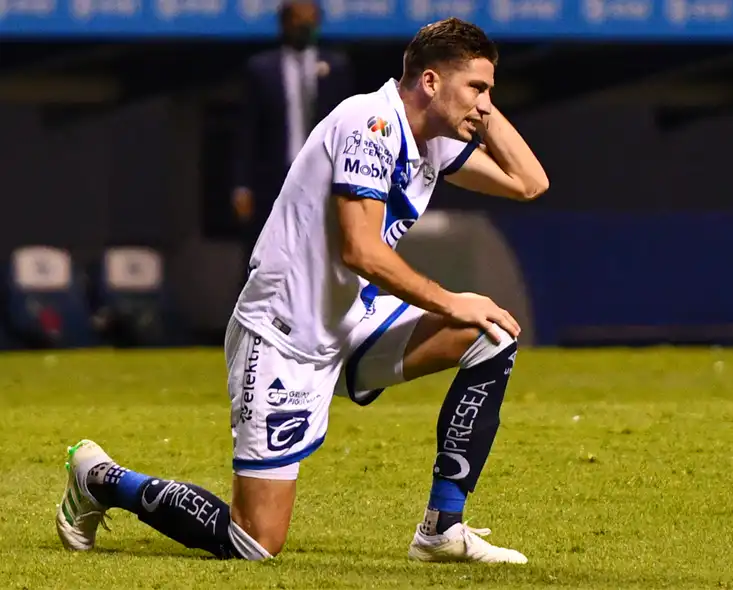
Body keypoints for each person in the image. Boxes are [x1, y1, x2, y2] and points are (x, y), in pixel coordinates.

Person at [57, 17, 549, 564]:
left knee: (489, 335)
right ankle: (100, 479)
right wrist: (451, 299)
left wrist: (477, 101)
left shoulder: (429, 138)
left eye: (490, 92)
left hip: (348, 320)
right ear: (430, 82)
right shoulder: (370, 122)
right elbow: (360, 251)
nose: (485, 105)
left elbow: (530, 182)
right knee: (254, 542)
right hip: (282, 334)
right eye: (478, 89)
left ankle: (441, 530)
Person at [231, 0, 354, 267]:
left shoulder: (335, 67)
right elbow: (248, 131)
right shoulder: (261, 69)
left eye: (310, 19)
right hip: (273, 177)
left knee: (317, 254)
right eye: (298, 19)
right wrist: (243, 184)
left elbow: (345, 127)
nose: (304, 25)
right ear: (284, 23)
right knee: (265, 256)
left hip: (322, 176)